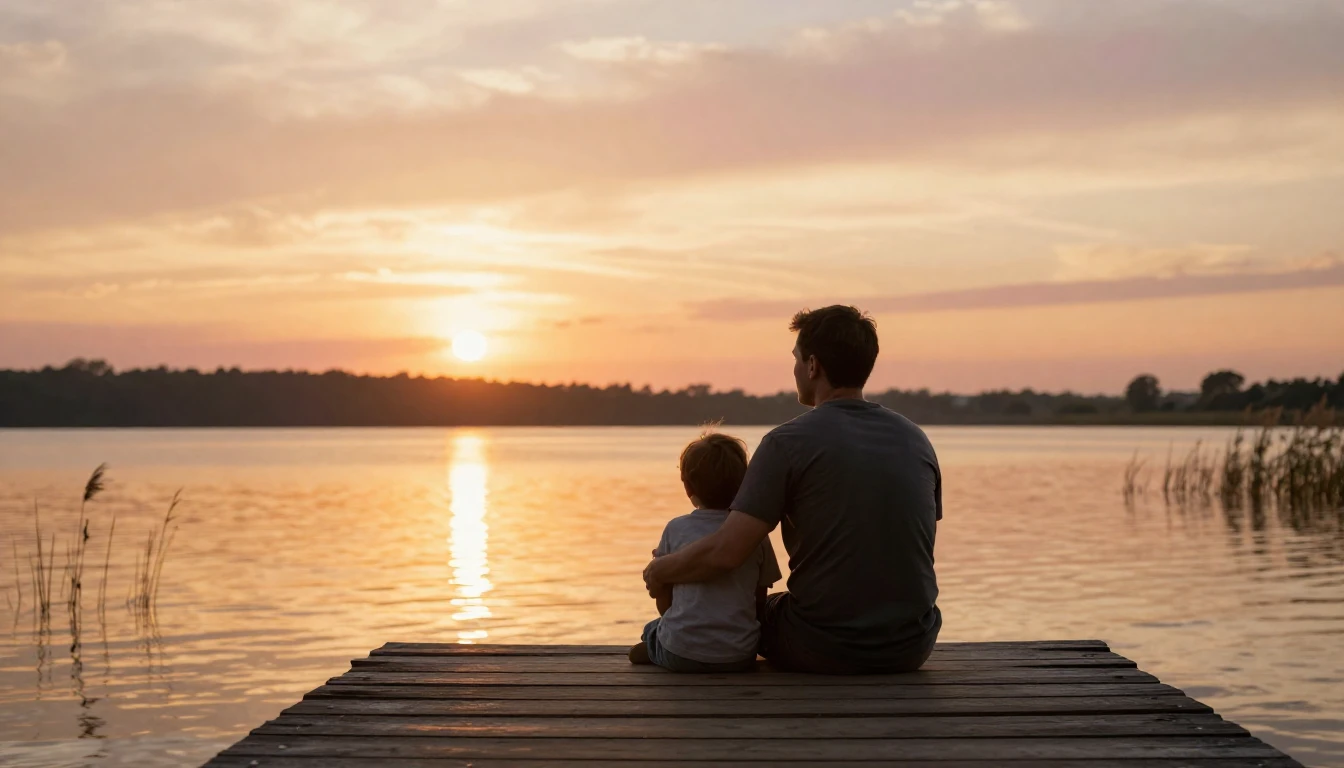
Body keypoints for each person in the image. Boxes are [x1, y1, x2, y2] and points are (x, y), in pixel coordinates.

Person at [643, 305, 942, 674]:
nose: (796, 369)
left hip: (822, 646)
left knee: (746, 614)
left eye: (797, 359)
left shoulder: (786, 443)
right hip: (912, 646)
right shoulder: (916, 440)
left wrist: (660, 570)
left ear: (813, 365)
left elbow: (726, 552)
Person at [630, 431, 782, 672]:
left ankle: (654, 647)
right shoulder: (754, 534)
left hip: (682, 652)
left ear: (688, 486)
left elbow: (664, 598)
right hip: (740, 655)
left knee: (653, 628)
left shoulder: (676, 528)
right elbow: (759, 599)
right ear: (744, 483)